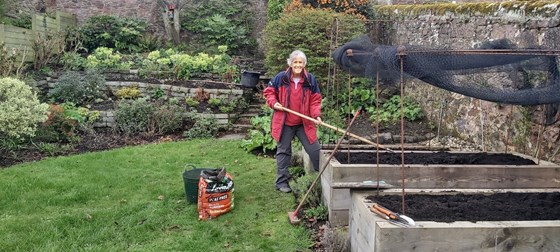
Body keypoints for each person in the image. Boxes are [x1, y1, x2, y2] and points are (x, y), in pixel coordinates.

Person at [263, 50, 323, 193]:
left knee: (315, 151)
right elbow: (269, 92)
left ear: (304, 64)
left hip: (303, 123)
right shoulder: (281, 78)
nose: (297, 65)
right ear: (290, 63)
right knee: (283, 152)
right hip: (285, 122)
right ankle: (281, 182)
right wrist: (273, 102)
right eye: (295, 62)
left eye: (300, 62)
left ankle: (322, 177)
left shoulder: (310, 80)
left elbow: (315, 100)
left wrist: (316, 115)